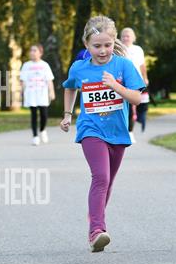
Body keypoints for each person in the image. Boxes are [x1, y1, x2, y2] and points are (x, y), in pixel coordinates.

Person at [60, 15, 145, 252]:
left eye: (107, 45)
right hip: (91, 130)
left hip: (117, 133)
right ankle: (96, 230)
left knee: (108, 183)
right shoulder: (79, 68)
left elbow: (137, 98)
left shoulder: (123, 66)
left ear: (114, 41)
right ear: (86, 45)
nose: (103, 50)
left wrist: (115, 85)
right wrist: (67, 114)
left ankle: (95, 218)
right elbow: (69, 87)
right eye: (97, 46)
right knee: (101, 177)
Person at [20, 44, 55, 146]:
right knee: (34, 114)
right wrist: (22, 93)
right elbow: (23, 81)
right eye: (31, 50)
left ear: (40, 53)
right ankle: (35, 136)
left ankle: (43, 130)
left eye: (34, 50)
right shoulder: (26, 65)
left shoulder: (45, 65)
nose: (32, 52)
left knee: (44, 114)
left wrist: (51, 92)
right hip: (31, 93)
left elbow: (49, 80)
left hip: (42, 93)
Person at [120, 27, 149, 143]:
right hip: (123, 82)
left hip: (137, 81)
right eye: (123, 36)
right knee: (128, 106)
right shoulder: (118, 49)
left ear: (133, 38)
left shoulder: (138, 49)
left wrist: (145, 78)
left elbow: (142, 65)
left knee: (139, 105)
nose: (126, 38)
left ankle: (135, 125)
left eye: (128, 36)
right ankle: (129, 131)